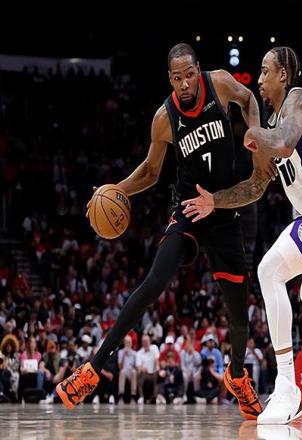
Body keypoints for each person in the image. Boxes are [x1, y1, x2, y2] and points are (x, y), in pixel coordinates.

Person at [56, 43, 276, 420]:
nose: (185, 83)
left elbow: (249, 98)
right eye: (177, 78)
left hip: (223, 209)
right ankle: (92, 369)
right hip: (189, 209)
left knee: (240, 316)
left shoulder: (220, 83)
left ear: (197, 69)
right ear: (170, 79)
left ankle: (238, 376)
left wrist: (256, 135)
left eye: (189, 74)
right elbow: (150, 171)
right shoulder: (164, 117)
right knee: (153, 283)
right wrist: (115, 190)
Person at [181, 46, 302, 424]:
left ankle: (287, 386)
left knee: (269, 270)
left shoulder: (300, 100)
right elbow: (255, 188)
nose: (260, 79)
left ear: (284, 74)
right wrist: (214, 201)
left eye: (266, 71)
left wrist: (254, 133)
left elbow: (284, 142)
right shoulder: (271, 126)